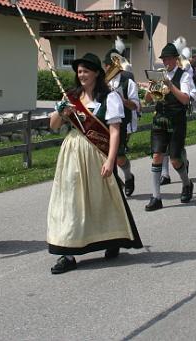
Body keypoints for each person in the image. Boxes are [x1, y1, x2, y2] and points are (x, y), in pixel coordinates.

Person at [47, 53, 142, 274]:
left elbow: (115, 130)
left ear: (96, 73)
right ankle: (67, 252)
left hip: (97, 154)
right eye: (79, 71)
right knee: (70, 199)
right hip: (72, 153)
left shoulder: (110, 98)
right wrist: (62, 111)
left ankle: (112, 239)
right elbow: (53, 125)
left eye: (86, 71)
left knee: (102, 199)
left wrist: (111, 159)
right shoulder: (70, 97)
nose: (81, 75)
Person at [144, 43, 196, 211]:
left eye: (168, 58)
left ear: (175, 59)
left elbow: (185, 99)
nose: (166, 61)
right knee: (157, 155)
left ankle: (187, 183)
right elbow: (148, 100)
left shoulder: (184, 76)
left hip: (176, 120)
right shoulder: (160, 74)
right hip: (160, 119)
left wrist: (169, 84)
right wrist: (151, 86)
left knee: (175, 159)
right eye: (164, 59)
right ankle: (156, 197)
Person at [102, 48, 141, 196]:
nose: (108, 68)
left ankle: (128, 176)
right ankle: (114, 187)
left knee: (119, 157)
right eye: (107, 65)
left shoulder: (128, 82)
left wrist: (121, 98)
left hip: (121, 122)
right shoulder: (101, 82)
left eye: (111, 65)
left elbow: (135, 105)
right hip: (103, 122)